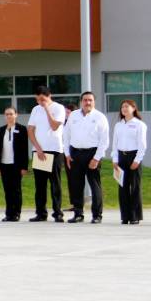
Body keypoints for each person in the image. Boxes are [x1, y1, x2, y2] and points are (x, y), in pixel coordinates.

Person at [64, 91, 109, 224]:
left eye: (90, 100)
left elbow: (104, 140)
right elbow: (66, 135)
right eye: (85, 100)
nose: (87, 102)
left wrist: (97, 158)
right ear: (81, 102)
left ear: (94, 102)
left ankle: (97, 215)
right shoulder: (73, 115)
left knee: (95, 185)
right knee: (76, 185)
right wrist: (67, 154)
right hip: (75, 153)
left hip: (92, 154)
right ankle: (78, 214)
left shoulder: (100, 117)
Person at [26, 85, 67, 222]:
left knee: (55, 183)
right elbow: (30, 130)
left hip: (54, 150)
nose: (39, 102)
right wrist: (37, 148)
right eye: (37, 100)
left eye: (42, 99)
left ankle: (57, 213)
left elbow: (55, 126)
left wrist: (47, 109)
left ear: (49, 96)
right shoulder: (35, 109)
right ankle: (41, 213)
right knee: (40, 184)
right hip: (39, 151)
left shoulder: (58, 108)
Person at [111, 99, 147, 225]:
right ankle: (125, 215)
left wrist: (137, 160)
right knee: (122, 187)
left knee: (135, 187)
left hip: (133, 156)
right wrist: (115, 159)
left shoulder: (139, 124)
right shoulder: (118, 125)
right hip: (121, 157)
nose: (124, 109)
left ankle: (135, 215)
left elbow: (142, 145)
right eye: (122, 107)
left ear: (133, 108)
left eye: (127, 106)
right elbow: (114, 144)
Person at [0, 106, 28, 222]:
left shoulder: (22, 129)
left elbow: (24, 149)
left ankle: (16, 213)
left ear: (16, 115)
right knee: (7, 190)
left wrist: (24, 166)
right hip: (4, 164)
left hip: (16, 165)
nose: (9, 116)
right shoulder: (2, 129)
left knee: (16, 190)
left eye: (11, 114)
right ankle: (8, 213)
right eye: (7, 114)